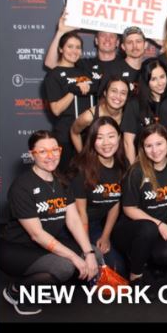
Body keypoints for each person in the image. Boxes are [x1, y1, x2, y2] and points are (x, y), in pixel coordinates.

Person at [0, 131, 99, 315]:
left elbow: (74, 220)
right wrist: (74, 257)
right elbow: (37, 234)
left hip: (44, 245)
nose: (51, 156)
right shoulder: (22, 187)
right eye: (43, 151)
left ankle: (44, 287)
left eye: (55, 149)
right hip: (17, 248)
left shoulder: (61, 181)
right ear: (32, 155)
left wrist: (89, 252)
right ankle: (17, 291)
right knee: (64, 266)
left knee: (95, 253)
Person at [111, 124, 167, 287]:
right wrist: (159, 224)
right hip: (130, 231)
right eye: (149, 145)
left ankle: (147, 264)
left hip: (158, 229)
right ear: (142, 148)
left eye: (159, 144)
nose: (155, 150)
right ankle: (135, 276)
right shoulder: (136, 172)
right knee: (149, 228)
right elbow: (128, 208)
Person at [70, 117, 128, 276]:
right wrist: (88, 249)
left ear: (119, 138)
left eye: (111, 136)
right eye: (99, 138)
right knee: (90, 267)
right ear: (92, 141)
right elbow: (80, 214)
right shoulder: (82, 167)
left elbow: (115, 203)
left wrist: (105, 236)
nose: (106, 143)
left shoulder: (122, 166)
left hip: (96, 225)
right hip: (74, 226)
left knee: (118, 270)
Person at [44, 31, 96, 172]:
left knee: (90, 175)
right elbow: (56, 109)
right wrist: (73, 91)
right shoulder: (53, 75)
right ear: (61, 49)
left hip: (89, 134)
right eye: (70, 46)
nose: (74, 51)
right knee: (68, 177)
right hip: (66, 135)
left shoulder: (85, 70)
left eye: (78, 47)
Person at [44, 9, 122, 79]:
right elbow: (51, 64)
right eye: (103, 35)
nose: (107, 39)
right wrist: (60, 32)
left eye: (111, 36)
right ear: (96, 40)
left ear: (117, 42)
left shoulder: (127, 63)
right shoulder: (84, 65)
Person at [122, 57, 167, 163]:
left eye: (162, 77)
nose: (160, 83)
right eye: (153, 79)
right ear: (145, 80)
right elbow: (128, 142)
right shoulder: (134, 104)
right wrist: (133, 171)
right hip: (143, 162)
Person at [70, 75, 129, 153]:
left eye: (123, 93)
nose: (118, 96)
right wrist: (83, 156)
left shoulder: (129, 114)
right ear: (105, 93)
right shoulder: (89, 116)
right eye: (114, 91)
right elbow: (74, 132)